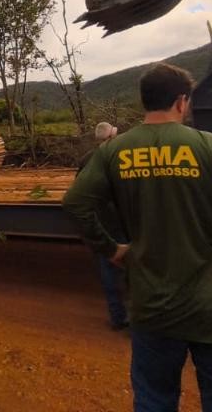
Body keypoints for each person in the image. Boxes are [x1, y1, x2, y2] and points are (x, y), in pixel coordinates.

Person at [63, 63, 212, 412]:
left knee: (155, 401)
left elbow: (75, 204)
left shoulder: (114, 152)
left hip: (152, 308)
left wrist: (110, 248)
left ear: (145, 101)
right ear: (181, 102)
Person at [83, 121, 129, 330]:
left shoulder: (86, 160)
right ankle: (136, 319)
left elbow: (79, 194)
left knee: (108, 268)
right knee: (132, 269)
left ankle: (117, 317)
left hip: (100, 222)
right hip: (121, 221)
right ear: (111, 138)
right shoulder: (122, 158)